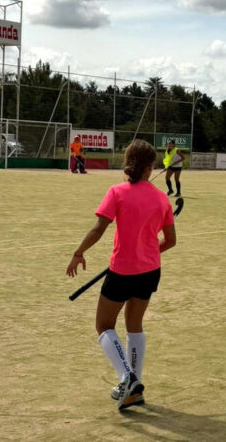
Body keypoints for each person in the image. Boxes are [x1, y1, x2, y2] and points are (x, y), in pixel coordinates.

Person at [65, 139, 177, 410]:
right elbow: (170, 241)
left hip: (122, 271)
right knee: (134, 326)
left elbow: (98, 229)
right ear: (150, 168)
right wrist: (148, 252)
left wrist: (78, 252)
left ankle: (127, 378)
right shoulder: (162, 197)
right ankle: (133, 389)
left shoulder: (116, 192)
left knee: (104, 326)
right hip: (150, 272)